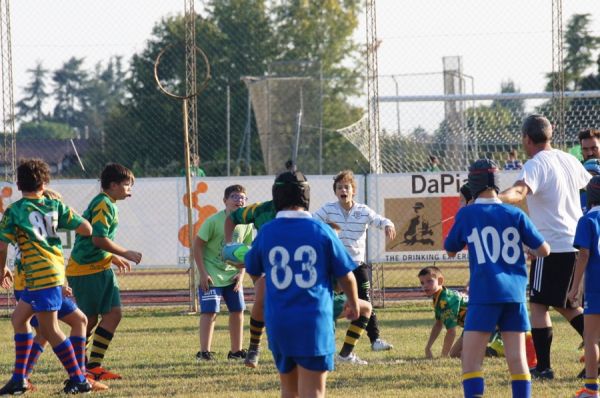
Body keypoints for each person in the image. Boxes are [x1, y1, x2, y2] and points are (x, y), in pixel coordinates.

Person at [244, 170, 360, 398]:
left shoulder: (267, 231)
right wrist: (354, 303)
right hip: (313, 321)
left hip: (279, 320)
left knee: (289, 390)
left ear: (277, 197)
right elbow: (346, 275)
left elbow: (252, 266)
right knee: (313, 391)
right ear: (305, 196)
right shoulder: (322, 230)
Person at [446, 158, 550, 398]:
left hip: (485, 293)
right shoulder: (515, 213)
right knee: (517, 359)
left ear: (473, 183)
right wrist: (528, 250)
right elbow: (544, 250)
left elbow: (451, 249)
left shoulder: (468, 214)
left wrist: (465, 214)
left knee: (471, 361)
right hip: (514, 294)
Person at [499, 114, 591, 380]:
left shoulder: (535, 163)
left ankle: (544, 368)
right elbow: (588, 184)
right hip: (575, 243)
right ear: (549, 135)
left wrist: (494, 198)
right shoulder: (569, 159)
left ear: (527, 139)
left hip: (551, 246)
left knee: (539, 305)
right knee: (568, 305)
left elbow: (519, 192)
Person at [0, 158, 94, 394]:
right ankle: (19, 378)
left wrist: (1, 268)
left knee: (49, 330)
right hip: (45, 273)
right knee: (19, 320)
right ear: (44, 183)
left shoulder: (15, 211)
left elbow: (1, 247)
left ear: (19, 185)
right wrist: (63, 213)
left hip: (40, 276)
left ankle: (79, 379)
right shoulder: (54, 206)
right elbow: (86, 229)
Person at [66, 163, 143, 381]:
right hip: (85, 271)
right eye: (127, 185)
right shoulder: (103, 204)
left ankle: (93, 367)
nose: (130, 189)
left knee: (113, 314)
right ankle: (80, 370)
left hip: (99, 268)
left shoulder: (108, 203)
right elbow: (98, 239)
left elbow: (98, 241)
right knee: (87, 320)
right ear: (113, 185)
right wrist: (126, 252)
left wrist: (111, 256)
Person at [313, 170, 396, 351]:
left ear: (353, 191)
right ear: (335, 191)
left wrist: (388, 224)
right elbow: (312, 222)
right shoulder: (328, 209)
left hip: (358, 265)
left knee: (365, 301)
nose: (343, 190)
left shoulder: (362, 210)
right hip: (334, 267)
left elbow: (379, 220)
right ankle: (328, 345)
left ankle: (375, 341)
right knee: (329, 303)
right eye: (339, 187)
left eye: (346, 187)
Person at [193, 185, 253, 361]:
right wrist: (203, 273)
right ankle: (204, 352)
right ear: (225, 201)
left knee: (238, 310)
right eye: (234, 197)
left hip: (232, 275)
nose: (239, 200)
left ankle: (236, 351)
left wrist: (241, 275)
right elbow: (197, 246)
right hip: (211, 273)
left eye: (242, 197)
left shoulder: (246, 224)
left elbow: (245, 251)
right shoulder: (213, 221)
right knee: (210, 311)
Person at [224, 196, 276, 368]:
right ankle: (254, 348)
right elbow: (232, 218)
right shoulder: (260, 209)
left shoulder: (303, 218)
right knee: (262, 298)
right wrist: (229, 245)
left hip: (288, 267)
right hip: (262, 262)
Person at [569, 175, 600, 398]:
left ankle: (591, 389)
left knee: (592, 338)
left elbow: (584, 254)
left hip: (596, 285)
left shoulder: (588, 220)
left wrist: (574, 287)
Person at [418, 266, 467, 358]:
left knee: (454, 354)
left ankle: (495, 349)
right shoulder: (438, 297)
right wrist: (428, 348)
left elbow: (451, 331)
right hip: (471, 327)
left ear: (440, 281)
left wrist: (443, 356)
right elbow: (438, 324)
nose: (425, 285)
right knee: (455, 354)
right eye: (422, 282)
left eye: (429, 281)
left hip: (482, 324)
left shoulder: (446, 300)